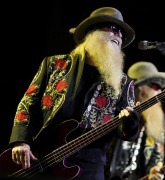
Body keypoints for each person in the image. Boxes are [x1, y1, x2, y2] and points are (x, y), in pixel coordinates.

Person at [7, 7, 141, 180]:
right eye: (114, 28)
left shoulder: (124, 83)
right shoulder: (55, 64)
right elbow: (28, 103)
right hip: (42, 159)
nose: (119, 36)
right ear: (93, 32)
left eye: (122, 33)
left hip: (90, 168)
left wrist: (130, 124)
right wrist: (21, 141)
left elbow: (124, 132)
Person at [107, 61, 165, 180]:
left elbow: (157, 153)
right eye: (155, 86)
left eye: (160, 88)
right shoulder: (115, 108)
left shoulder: (159, 117)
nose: (159, 92)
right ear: (139, 86)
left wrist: (153, 169)